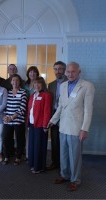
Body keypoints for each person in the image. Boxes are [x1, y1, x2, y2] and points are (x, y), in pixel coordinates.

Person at [48, 62, 95, 191]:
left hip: (76, 127)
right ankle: (64, 174)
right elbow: (61, 106)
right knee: (63, 154)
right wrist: (53, 120)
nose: (70, 74)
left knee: (74, 156)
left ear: (79, 72)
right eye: (68, 72)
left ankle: (75, 180)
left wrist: (84, 129)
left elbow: (88, 110)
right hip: (63, 125)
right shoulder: (63, 86)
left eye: (73, 71)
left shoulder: (87, 86)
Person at [27, 77, 52, 173]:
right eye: (35, 83)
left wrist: (46, 125)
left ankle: (39, 167)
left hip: (41, 125)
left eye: (39, 83)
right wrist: (28, 123)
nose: (36, 85)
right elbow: (30, 110)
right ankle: (32, 164)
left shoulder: (46, 95)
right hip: (32, 124)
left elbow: (47, 111)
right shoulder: (32, 95)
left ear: (43, 85)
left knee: (39, 146)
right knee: (32, 145)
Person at [47, 61, 67, 170]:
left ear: (64, 70)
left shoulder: (70, 82)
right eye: (55, 69)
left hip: (65, 116)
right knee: (54, 141)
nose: (57, 71)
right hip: (54, 115)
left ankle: (63, 164)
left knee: (63, 141)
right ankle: (54, 162)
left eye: (60, 69)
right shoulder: (51, 84)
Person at [2, 74, 27, 165]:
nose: (15, 82)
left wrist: (11, 117)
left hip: (18, 121)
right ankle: (7, 156)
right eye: (13, 80)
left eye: (17, 80)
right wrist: (4, 116)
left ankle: (18, 157)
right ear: (11, 82)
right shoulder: (7, 92)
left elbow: (22, 108)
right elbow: (4, 105)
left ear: (19, 82)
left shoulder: (23, 92)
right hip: (7, 121)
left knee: (20, 139)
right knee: (5, 139)